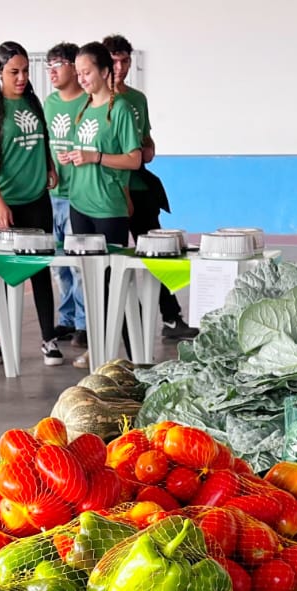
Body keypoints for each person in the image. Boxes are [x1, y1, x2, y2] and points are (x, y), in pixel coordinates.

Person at [0, 41, 63, 368]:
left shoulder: (33, 102)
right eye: (14, 72)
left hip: (36, 200)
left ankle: (48, 338)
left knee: (40, 271)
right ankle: (3, 337)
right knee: (5, 274)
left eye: (25, 71)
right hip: (4, 204)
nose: (22, 77)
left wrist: (49, 166)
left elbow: (43, 141)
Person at [103, 34, 193, 342]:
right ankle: (103, 325)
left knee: (158, 252)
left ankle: (171, 317)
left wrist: (148, 147)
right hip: (108, 189)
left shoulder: (137, 99)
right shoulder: (93, 101)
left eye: (125, 61)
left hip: (139, 186)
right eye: (114, 61)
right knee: (108, 260)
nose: (120, 67)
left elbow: (145, 140)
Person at [61, 41, 142, 371]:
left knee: (114, 283)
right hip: (79, 204)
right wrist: (73, 158)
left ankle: (134, 355)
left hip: (108, 208)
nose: (81, 79)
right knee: (89, 285)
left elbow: (134, 159)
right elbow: (86, 152)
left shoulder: (120, 109)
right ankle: (98, 350)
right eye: (78, 73)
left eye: (87, 72)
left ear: (105, 71)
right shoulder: (82, 108)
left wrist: (95, 157)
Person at [44, 42, 87, 345]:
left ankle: (84, 323)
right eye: (49, 66)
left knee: (78, 262)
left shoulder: (88, 102)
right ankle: (67, 320)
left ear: (74, 67)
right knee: (59, 265)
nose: (52, 72)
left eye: (58, 65)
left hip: (79, 196)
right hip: (52, 195)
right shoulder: (48, 103)